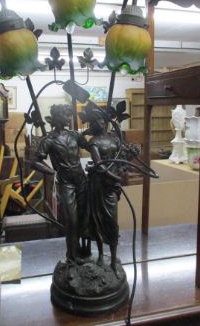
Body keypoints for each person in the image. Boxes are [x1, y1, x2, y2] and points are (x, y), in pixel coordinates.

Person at [31, 104, 88, 262]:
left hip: (82, 180)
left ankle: (83, 250)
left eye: (68, 115)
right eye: (64, 115)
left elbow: (90, 145)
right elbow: (34, 161)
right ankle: (72, 256)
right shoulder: (49, 140)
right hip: (66, 183)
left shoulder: (74, 135)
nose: (68, 118)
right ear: (56, 118)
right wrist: (51, 171)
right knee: (72, 220)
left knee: (84, 217)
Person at [82, 102, 124, 277]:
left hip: (111, 187)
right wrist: (114, 177)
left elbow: (121, 156)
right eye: (94, 122)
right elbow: (99, 165)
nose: (98, 124)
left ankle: (113, 259)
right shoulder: (94, 142)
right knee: (97, 221)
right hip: (99, 184)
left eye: (100, 120)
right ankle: (99, 254)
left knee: (112, 222)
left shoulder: (114, 138)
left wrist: (120, 172)